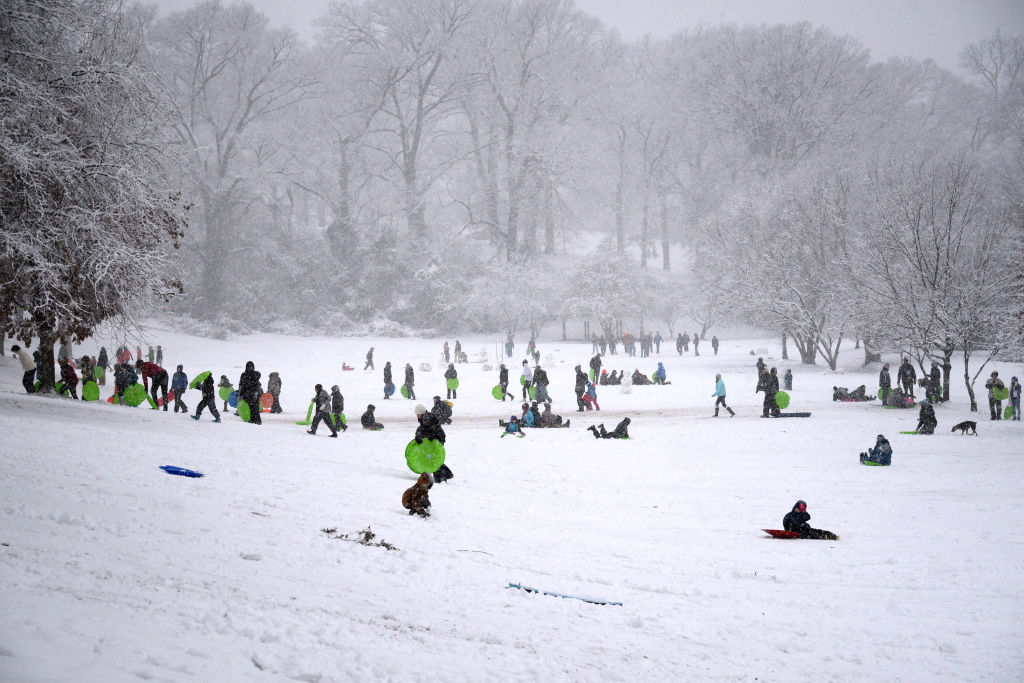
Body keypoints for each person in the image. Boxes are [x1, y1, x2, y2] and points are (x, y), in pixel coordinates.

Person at [414, 404, 453, 483]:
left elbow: (427, 429)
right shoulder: (426, 417)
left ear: (421, 413)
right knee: (434, 458)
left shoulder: (427, 418)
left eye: (418, 414)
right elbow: (423, 428)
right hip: (436, 439)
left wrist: (420, 435)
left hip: (437, 439)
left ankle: (442, 476)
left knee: (434, 458)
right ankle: (445, 475)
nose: (417, 416)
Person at [238, 361, 262, 425]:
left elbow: (241, 385)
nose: (250, 368)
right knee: (251, 408)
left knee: (254, 408)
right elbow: (241, 385)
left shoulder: (253, 374)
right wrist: (240, 394)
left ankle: (256, 420)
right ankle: (254, 420)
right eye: (249, 367)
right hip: (249, 394)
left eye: (251, 367)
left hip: (252, 394)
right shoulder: (244, 375)